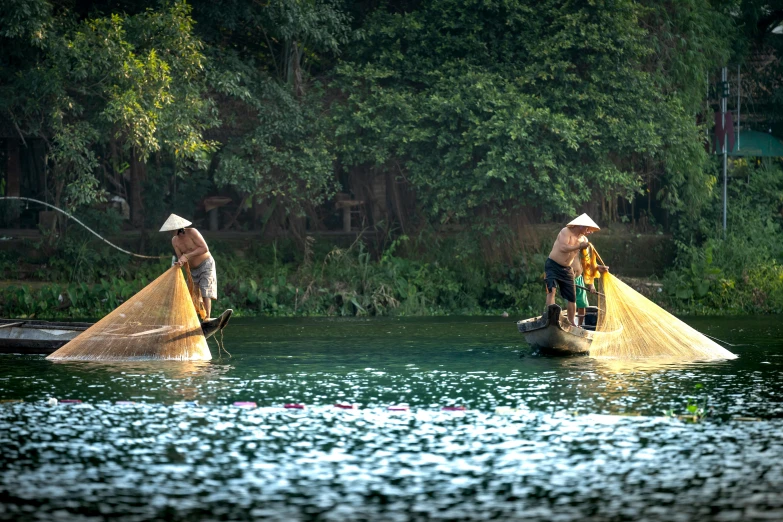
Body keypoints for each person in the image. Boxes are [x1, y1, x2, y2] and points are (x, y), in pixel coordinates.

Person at [545, 213, 601, 327]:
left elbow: (587, 262)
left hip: (567, 269)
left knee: (572, 297)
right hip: (553, 265)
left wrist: (591, 283)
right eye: (587, 228)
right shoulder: (565, 232)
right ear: (580, 225)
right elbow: (563, 248)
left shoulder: (584, 239)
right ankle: (551, 318)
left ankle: (571, 323)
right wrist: (579, 246)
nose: (588, 230)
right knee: (552, 290)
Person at [160, 214, 217, 319]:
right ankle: (193, 319)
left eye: (172, 230)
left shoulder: (192, 232)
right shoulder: (175, 241)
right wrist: (179, 263)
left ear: (178, 228)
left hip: (206, 264)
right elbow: (180, 257)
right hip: (192, 270)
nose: (170, 232)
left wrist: (187, 255)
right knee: (190, 295)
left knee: (205, 290)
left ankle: (207, 318)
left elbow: (204, 248)